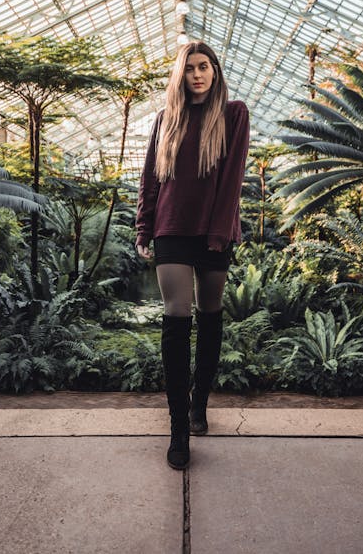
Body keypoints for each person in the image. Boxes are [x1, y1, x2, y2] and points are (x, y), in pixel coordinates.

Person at [135, 40, 250, 470]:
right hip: (171, 230)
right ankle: (178, 428)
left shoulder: (233, 113)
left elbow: (234, 176)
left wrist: (220, 233)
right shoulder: (167, 119)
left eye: (205, 67)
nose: (198, 74)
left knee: (211, 314)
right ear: (180, 76)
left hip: (214, 232)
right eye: (190, 69)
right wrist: (144, 227)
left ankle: (200, 402)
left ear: (215, 72)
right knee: (176, 318)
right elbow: (150, 178)